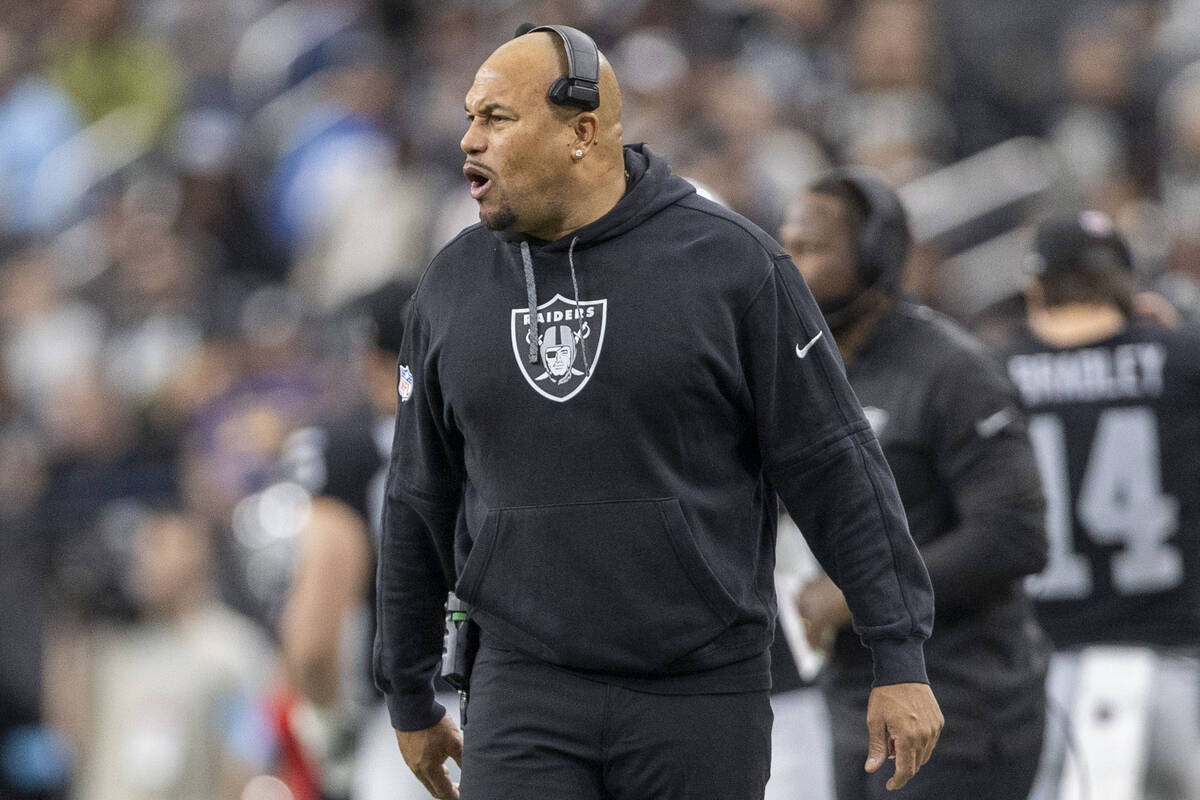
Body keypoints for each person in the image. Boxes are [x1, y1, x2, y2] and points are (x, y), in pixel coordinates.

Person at [374, 25, 943, 800]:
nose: (469, 140)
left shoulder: (733, 266)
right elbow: (417, 499)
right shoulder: (450, 287)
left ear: (581, 133)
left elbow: (834, 465)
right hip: (523, 685)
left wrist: (898, 654)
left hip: (701, 688)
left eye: (497, 119)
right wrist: (408, 691)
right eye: (471, 117)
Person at [778, 168, 1050, 799]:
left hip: (960, 702)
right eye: (785, 247)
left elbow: (1015, 535)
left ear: (876, 258)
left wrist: (860, 595)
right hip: (853, 702)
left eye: (813, 249)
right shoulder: (801, 370)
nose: (790, 267)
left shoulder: (953, 371)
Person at [1001, 212, 1200, 800]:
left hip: (1040, 677)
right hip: (1172, 666)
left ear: (1035, 288)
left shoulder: (988, 375)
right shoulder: (1184, 360)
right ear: (1127, 288)